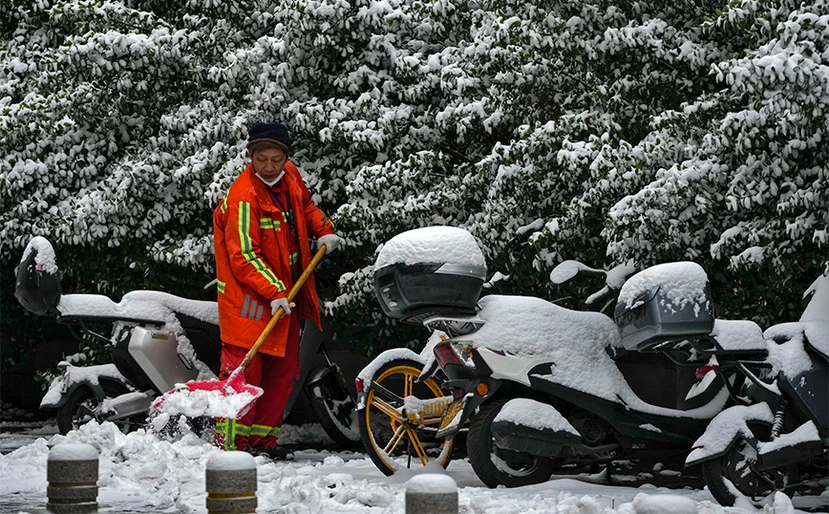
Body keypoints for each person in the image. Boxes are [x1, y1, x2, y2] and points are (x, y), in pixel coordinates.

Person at [212, 121, 342, 460]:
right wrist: (273, 290)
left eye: (275, 159)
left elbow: (307, 206)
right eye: (261, 159)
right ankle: (232, 448)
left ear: (286, 157)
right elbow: (242, 255)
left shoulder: (291, 178)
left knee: (282, 374)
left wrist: (323, 229)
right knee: (245, 377)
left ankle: (263, 443)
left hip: (285, 300)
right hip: (250, 305)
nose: (269, 167)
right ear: (250, 157)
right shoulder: (244, 197)